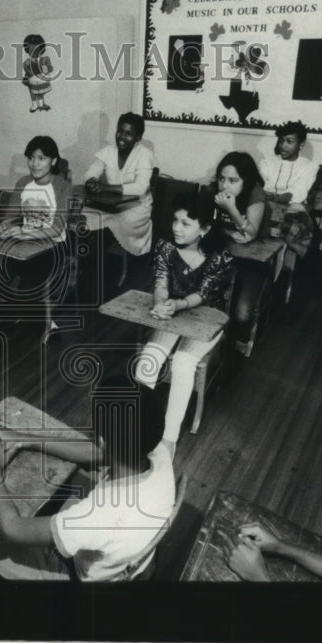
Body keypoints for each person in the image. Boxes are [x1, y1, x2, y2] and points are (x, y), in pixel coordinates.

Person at [0, 379, 176, 581]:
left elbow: (11, 529)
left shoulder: (97, 515)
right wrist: (23, 438)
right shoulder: (160, 455)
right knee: (62, 490)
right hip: (122, 561)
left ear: (103, 440)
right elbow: (97, 454)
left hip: (75, 577)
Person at [134, 189, 234, 448]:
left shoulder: (220, 255)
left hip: (207, 318)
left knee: (182, 362)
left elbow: (203, 294)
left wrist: (176, 305)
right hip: (172, 312)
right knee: (149, 357)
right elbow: (160, 281)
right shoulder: (165, 247)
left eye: (186, 223)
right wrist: (160, 304)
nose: (177, 228)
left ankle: (168, 439)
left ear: (205, 229)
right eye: (175, 220)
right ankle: (137, 427)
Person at [0, 135, 76, 318]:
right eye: (31, 158)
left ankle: (41, 320)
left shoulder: (63, 187)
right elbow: (9, 216)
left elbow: (56, 229)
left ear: (53, 161)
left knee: (30, 281)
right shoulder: (23, 183)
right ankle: (9, 312)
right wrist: (5, 226)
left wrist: (25, 233)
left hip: (53, 247)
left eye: (41, 158)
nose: (34, 164)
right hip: (23, 245)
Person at [213, 151, 269, 355]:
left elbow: (251, 233)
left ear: (246, 181)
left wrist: (232, 209)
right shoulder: (215, 192)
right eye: (221, 179)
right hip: (224, 257)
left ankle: (240, 342)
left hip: (254, 261)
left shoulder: (256, 194)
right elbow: (208, 225)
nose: (224, 185)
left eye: (233, 180)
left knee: (243, 313)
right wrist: (227, 231)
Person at [84, 112, 156, 257]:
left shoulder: (144, 154)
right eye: (120, 131)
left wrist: (106, 188)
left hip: (136, 208)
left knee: (115, 222)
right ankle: (88, 258)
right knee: (85, 215)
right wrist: (90, 180)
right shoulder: (108, 151)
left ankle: (93, 259)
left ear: (138, 138)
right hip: (111, 205)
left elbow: (141, 187)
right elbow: (91, 172)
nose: (122, 136)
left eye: (128, 133)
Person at [258, 121, 318, 206]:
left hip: (292, 209)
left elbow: (298, 192)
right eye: (281, 141)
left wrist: (276, 197)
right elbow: (260, 186)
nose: (283, 146)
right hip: (265, 205)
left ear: (301, 145)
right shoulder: (267, 162)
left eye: (289, 142)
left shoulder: (309, 166)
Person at [22, 33, 53, 112]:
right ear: (28, 50)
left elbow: (50, 68)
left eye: (36, 49)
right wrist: (30, 71)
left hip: (40, 78)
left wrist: (44, 69)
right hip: (30, 78)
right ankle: (34, 104)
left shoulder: (44, 59)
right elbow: (27, 71)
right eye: (31, 49)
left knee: (39, 91)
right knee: (32, 90)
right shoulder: (27, 62)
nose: (34, 52)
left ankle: (41, 104)